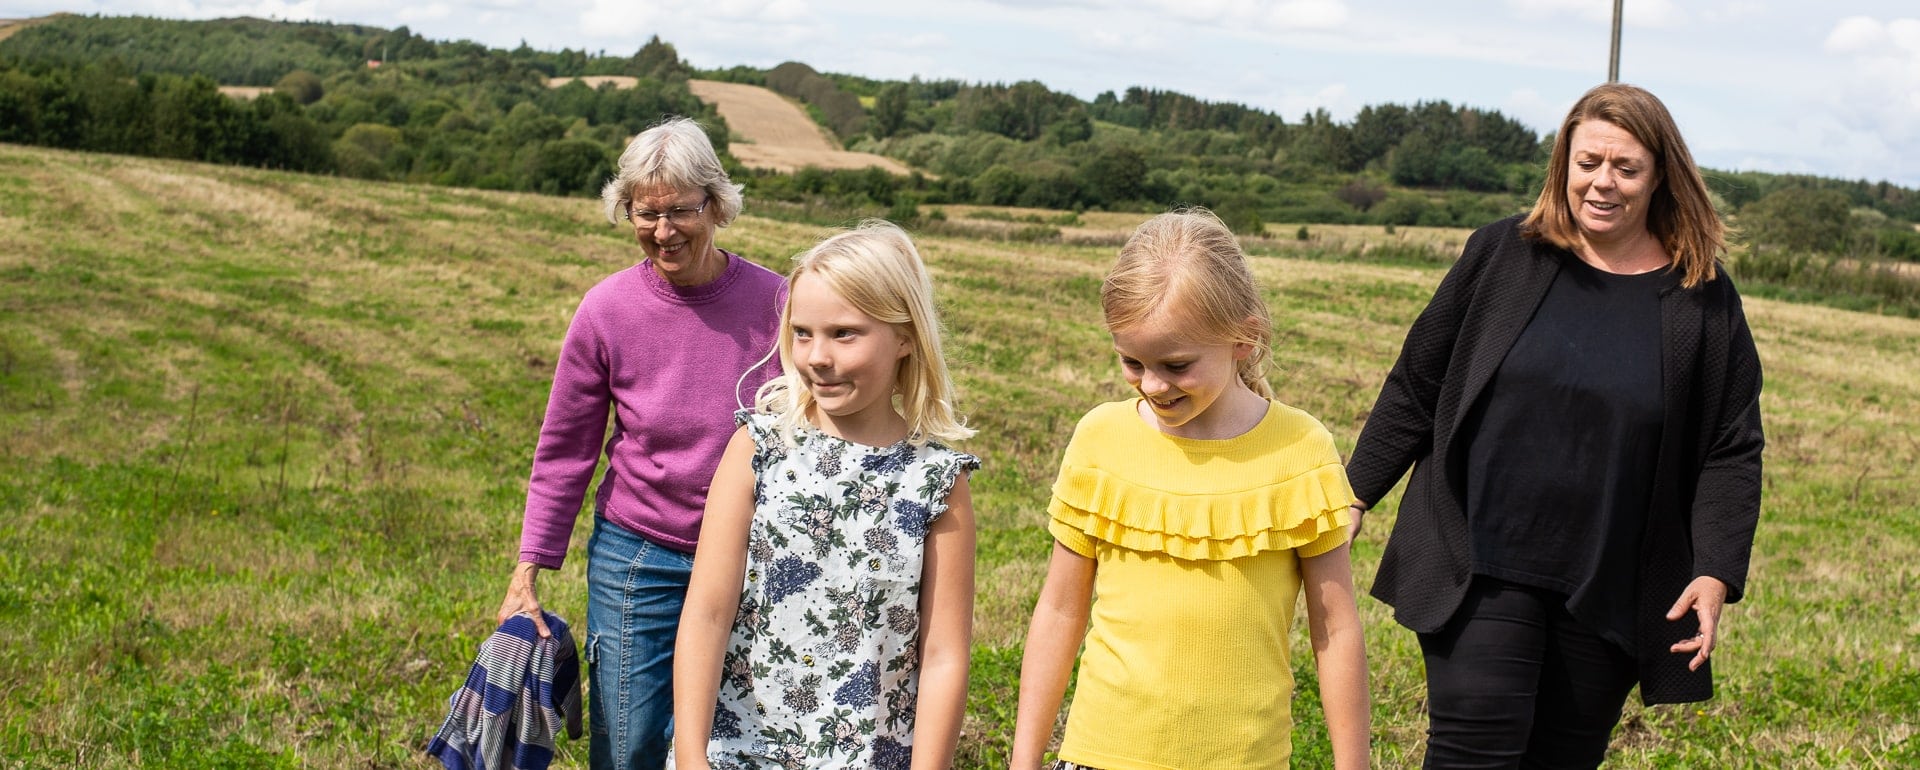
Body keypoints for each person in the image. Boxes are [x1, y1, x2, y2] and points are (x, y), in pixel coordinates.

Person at [1346, 83, 1765, 768]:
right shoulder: (1504, 256)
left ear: (1660, 176)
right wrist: (1357, 491)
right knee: (1473, 754)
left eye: (1625, 168)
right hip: (1477, 563)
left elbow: (1731, 447)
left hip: (1608, 582)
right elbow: (1419, 382)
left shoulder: (1701, 298)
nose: (1602, 182)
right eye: (1587, 162)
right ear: (1563, 165)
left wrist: (1715, 570)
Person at [1011, 210, 1370, 770]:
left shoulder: (1301, 447)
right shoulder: (1099, 439)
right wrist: (1023, 758)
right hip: (1099, 756)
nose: (1153, 385)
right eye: (1133, 362)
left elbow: (1337, 629)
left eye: (1176, 364)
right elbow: (1059, 610)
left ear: (1243, 339)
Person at [495, 116, 787, 770]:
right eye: (643, 213)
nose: (662, 231)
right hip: (639, 555)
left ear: (715, 204)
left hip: (752, 557)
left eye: (680, 211)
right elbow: (565, 449)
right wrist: (529, 567)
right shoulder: (606, 310)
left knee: (729, 744)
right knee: (626, 745)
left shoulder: (780, 304)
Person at [672, 221, 980, 770]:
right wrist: (693, 755)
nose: (816, 356)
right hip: (741, 754)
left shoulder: (936, 482)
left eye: (844, 334)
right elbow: (707, 613)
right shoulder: (759, 447)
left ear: (906, 337)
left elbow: (942, 656)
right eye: (803, 332)